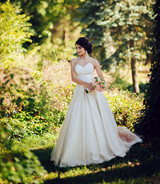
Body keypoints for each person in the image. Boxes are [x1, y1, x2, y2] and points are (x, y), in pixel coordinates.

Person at [50, 37, 142, 167]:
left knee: (96, 117)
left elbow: (102, 78)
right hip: (80, 92)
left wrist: (96, 84)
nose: (77, 50)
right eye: (76, 48)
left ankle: (101, 146)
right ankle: (74, 150)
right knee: (78, 117)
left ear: (85, 48)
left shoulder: (94, 61)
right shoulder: (74, 61)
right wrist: (87, 84)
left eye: (79, 48)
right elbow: (73, 78)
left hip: (94, 94)